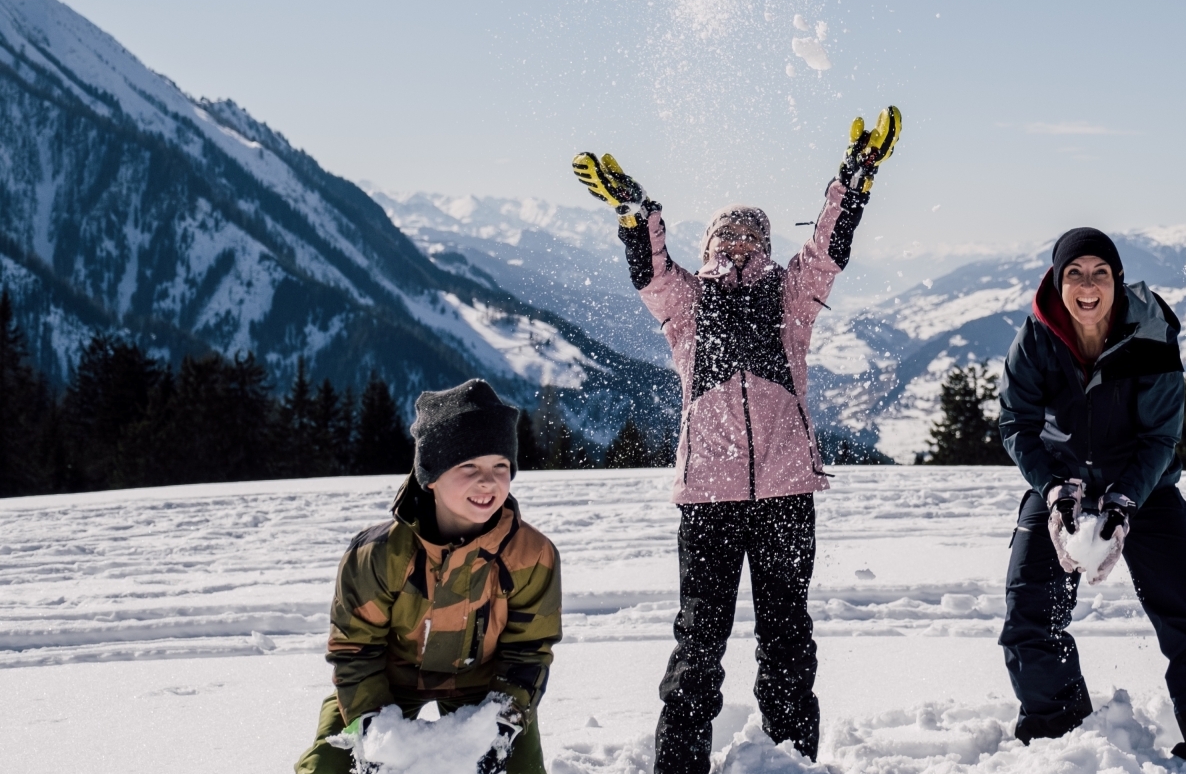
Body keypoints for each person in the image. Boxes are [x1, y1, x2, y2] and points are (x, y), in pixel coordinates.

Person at [571, 107, 900, 774]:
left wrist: (855, 177)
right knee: (698, 641)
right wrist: (636, 212)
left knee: (787, 639)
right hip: (709, 500)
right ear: (709, 245)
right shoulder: (688, 305)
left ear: (768, 245)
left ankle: (790, 761)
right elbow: (651, 272)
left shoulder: (790, 298)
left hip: (786, 494)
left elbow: (828, 251)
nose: (740, 242)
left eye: (752, 233)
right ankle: (680, 765)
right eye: (728, 233)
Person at [995, 228, 1186, 770]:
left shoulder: (1149, 332)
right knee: (1028, 618)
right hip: (1062, 485)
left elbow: (1160, 437)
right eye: (1075, 274)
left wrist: (1125, 500)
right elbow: (1016, 423)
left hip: (1145, 487)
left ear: (1115, 280)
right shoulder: (1037, 337)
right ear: (1057, 280)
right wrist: (1053, 491)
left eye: (1100, 274)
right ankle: (1058, 740)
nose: (1087, 286)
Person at [296, 379, 562, 774]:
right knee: (326, 769)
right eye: (468, 465)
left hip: (484, 685)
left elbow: (528, 652)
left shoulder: (531, 556)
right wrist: (371, 726)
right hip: (388, 682)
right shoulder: (379, 555)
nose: (487, 480)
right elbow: (354, 651)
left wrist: (503, 724)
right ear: (431, 476)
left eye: (500, 466)